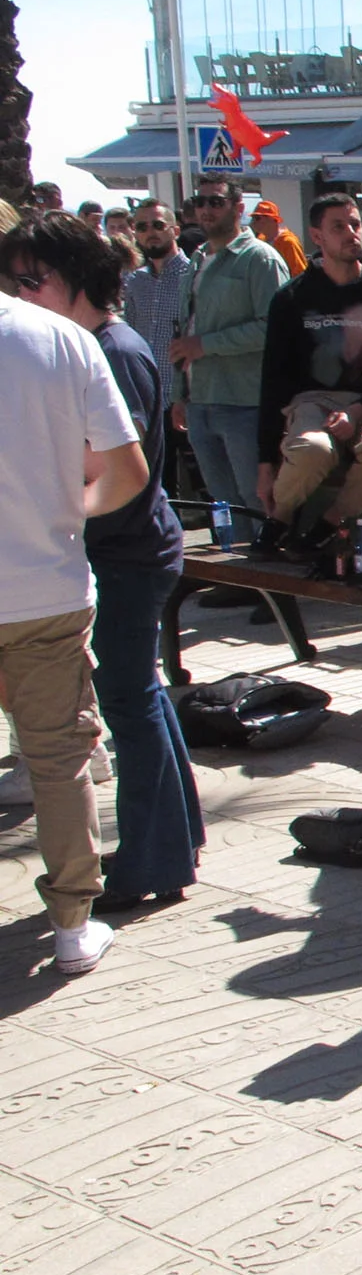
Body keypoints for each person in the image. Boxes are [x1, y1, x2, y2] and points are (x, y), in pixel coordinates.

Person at [3, 211, 204, 915]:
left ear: (75, 279)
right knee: (139, 696)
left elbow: (122, 475)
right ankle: (170, 846)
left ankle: (151, 858)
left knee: (129, 702)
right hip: (126, 549)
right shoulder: (91, 344)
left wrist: (52, 517)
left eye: (32, 280)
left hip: (125, 554)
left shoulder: (108, 350)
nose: (21, 295)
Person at [0, 230, 152, 976]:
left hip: (43, 590)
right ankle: (70, 926)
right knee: (59, 759)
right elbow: (126, 471)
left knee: (56, 758)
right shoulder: (61, 339)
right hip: (45, 588)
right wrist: (60, 513)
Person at [254, 193, 362, 550]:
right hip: (313, 401)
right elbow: (274, 379)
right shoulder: (291, 299)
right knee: (312, 450)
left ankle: (329, 524)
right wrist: (265, 461)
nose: (351, 234)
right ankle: (279, 521)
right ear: (317, 237)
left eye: (355, 225)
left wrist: (359, 409)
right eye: (339, 227)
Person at [171, 173, 287, 543]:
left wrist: (207, 344)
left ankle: (269, 587)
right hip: (200, 400)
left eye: (215, 201)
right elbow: (184, 331)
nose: (205, 209)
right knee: (222, 502)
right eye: (200, 202)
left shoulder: (260, 259)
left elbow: (274, 328)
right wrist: (179, 396)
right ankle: (240, 579)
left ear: (239, 208)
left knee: (256, 499)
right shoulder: (197, 259)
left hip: (243, 402)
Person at [122, 199, 193, 497]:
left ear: (174, 230)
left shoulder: (192, 274)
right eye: (142, 227)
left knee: (205, 482)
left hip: (186, 396)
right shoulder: (135, 281)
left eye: (158, 225)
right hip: (149, 399)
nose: (150, 232)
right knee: (158, 483)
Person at [246, 199, 308, 277]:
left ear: (272, 219)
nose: (253, 222)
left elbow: (300, 274)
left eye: (257, 218)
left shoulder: (288, 242)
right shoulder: (260, 240)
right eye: (253, 218)